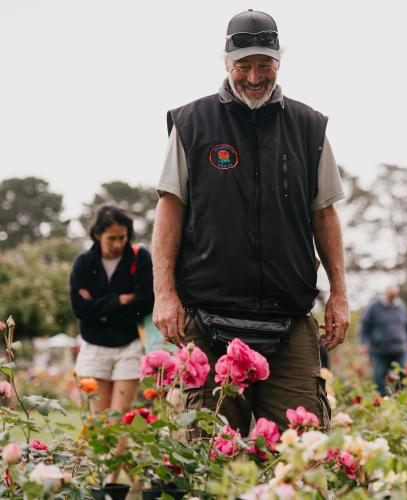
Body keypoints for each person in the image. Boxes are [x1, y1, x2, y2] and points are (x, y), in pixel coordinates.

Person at [151, 9, 348, 435]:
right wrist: (164, 293)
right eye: (244, 66)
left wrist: (339, 295)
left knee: (304, 452)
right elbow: (170, 208)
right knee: (209, 455)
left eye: (265, 65)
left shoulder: (309, 127)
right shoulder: (191, 123)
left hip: (290, 316)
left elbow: (324, 213)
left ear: (279, 61)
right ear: (226, 63)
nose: (255, 77)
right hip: (208, 316)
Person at [69, 205, 154, 479]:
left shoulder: (140, 259)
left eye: (123, 237)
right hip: (93, 349)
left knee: (119, 420)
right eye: (112, 238)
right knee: (101, 423)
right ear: (97, 234)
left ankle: (110, 483)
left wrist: (99, 305)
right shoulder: (84, 264)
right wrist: (119, 299)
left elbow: (144, 303)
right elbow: (79, 309)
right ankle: (130, 479)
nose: (118, 244)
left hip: (128, 347)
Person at [358, 285, 407, 395]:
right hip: (379, 350)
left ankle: (400, 399)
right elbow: (364, 325)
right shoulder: (374, 307)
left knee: (403, 375)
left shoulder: (401, 306)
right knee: (379, 377)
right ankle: (383, 401)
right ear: (385, 294)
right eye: (391, 296)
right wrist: (363, 343)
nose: (393, 298)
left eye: (394, 296)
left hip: (400, 348)